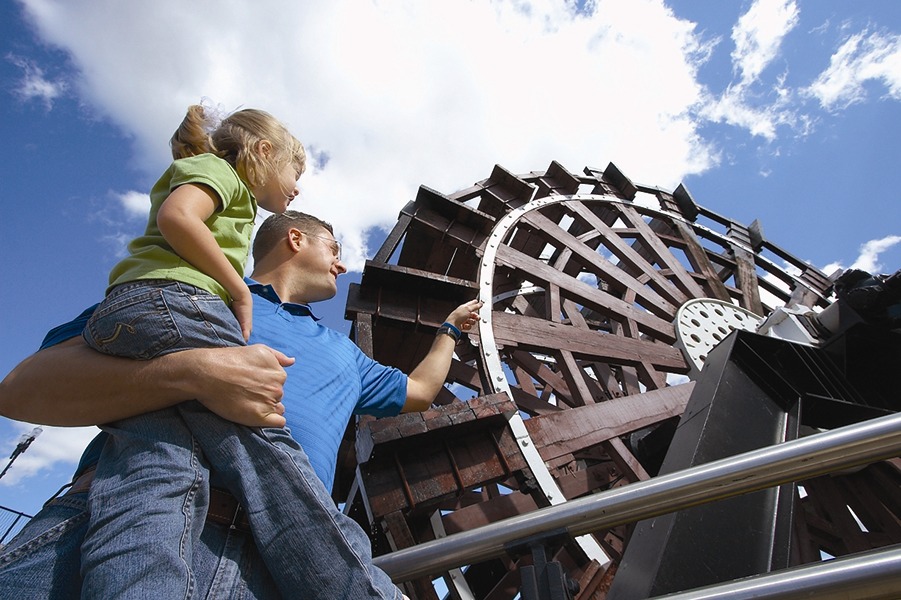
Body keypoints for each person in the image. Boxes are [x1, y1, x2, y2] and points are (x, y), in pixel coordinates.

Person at [0, 210, 483, 599]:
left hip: (279, 560)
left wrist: (450, 329)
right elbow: (20, 388)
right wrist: (191, 372)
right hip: (108, 522)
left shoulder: (346, 355)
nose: (341, 264)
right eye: (334, 250)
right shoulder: (187, 296)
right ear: (296, 240)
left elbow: (418, 392)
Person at [76, 103, 308, 598]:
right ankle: (353, 581)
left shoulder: (221, 180)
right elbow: (178, 216)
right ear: (263, 151)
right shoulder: (220, 171)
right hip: (178, 300)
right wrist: (239, 290)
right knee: (261, 425)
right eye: (295, 170)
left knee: (159, 464)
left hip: (132, 313)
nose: (298, 186)